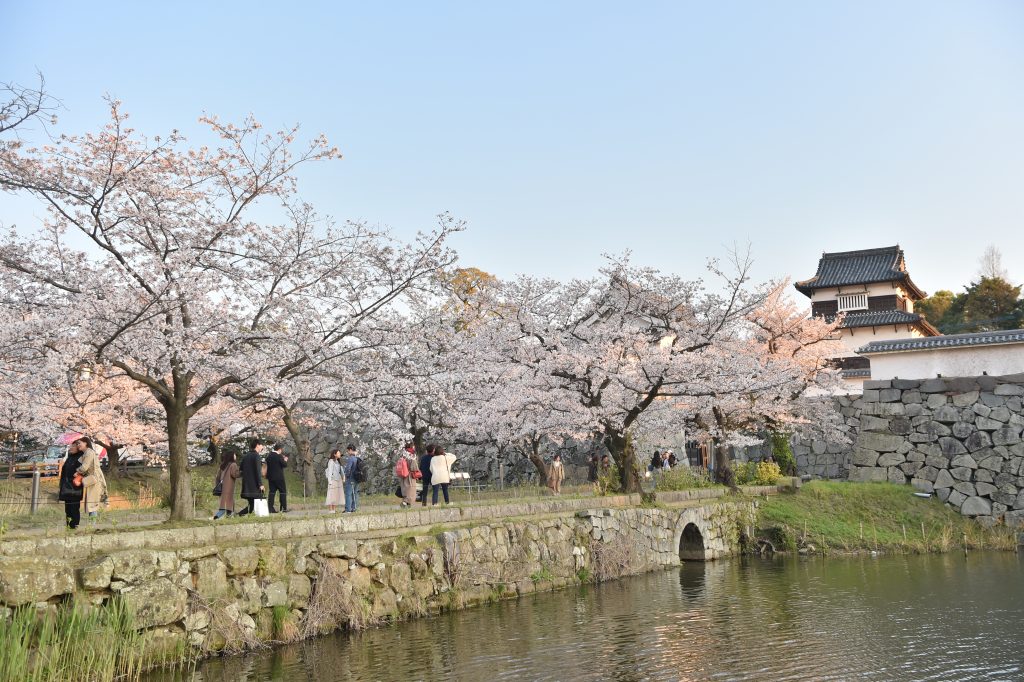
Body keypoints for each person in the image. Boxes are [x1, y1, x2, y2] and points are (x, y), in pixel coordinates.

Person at [76, 437, 107, 522]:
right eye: (77, 444)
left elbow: (84, 467)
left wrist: (77, 472)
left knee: (92, 503)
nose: (78, 445)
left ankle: (92, 525)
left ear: (86, 443)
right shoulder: (86, 452)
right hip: (92, 479)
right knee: (92, 503)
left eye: (80, 443)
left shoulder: (89, 452)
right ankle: (92, 524)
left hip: (94, 479)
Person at [58, 440, 85, 530]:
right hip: (66, 486)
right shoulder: (70, 457)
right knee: (68, 509)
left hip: (75, 487)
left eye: (73, 446)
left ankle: (74, 526)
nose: (70, 448)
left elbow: (83, 471)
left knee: (74, 508)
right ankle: (69, 526)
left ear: (78, 447)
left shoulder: (80, 458)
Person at [238, 438, 265, 516]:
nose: (262, 447)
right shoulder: (256, 456)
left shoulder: (246, 456)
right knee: (256, 503)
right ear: (257, 445)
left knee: (252, 504)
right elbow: (257, 472)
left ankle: (244, 515)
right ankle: (239, 514)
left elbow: (241, 469)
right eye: (261, 445)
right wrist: (260, 484)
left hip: (247, 484)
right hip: (254, 485)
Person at [214, 452, 241, 519]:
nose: (235, 456)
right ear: (231, 456)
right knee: (225, 507)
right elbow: (235, 474)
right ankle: (215, 518)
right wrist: (242, 472)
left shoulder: (223, 465)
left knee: (227, 507)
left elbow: (217, 477)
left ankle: (228, 518)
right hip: (229, 489)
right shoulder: (233, 465)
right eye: (234, 454)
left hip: (223, 488)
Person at [265, 443, 289, 513]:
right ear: (279, 449)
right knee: (283, 492)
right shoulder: (279, 456)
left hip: (271, 477)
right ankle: (283, 508)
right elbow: (284, 465)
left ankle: (270, 508)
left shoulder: (269, 456)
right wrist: (285, 459)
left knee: (272, 492)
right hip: (279, 478)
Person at [396, 442, 418, 507]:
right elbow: (414, 467)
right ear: (412, 447)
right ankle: (405, 503)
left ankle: (406, 503)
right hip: (409, 475)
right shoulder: (411, 455)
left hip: (402, 474)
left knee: (404, 489)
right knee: (410, 490)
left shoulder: (403, 454)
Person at [342, 444, 362, 513]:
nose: (347, 452)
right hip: (357, 478)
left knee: (348, 494)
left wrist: (346, 476)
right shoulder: (358, 458)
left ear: (350, 450)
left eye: (347, 451)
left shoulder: (351, 458)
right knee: (355, 494)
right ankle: (354, 508)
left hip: (351, 478)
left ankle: (348, 509)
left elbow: (348, 469)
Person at [325, 448, 345, 513]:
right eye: (338, 453)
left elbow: (341, 471)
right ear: (334, 454)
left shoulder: (338, 462)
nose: (340, 454)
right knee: (331, 494)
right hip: (332, 480)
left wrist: (343, 478)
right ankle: (330, 509)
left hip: (338, 480)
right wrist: (329, 481)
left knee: (335, 495)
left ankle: (334, 509)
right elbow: (330, 471)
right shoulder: (331, 461)